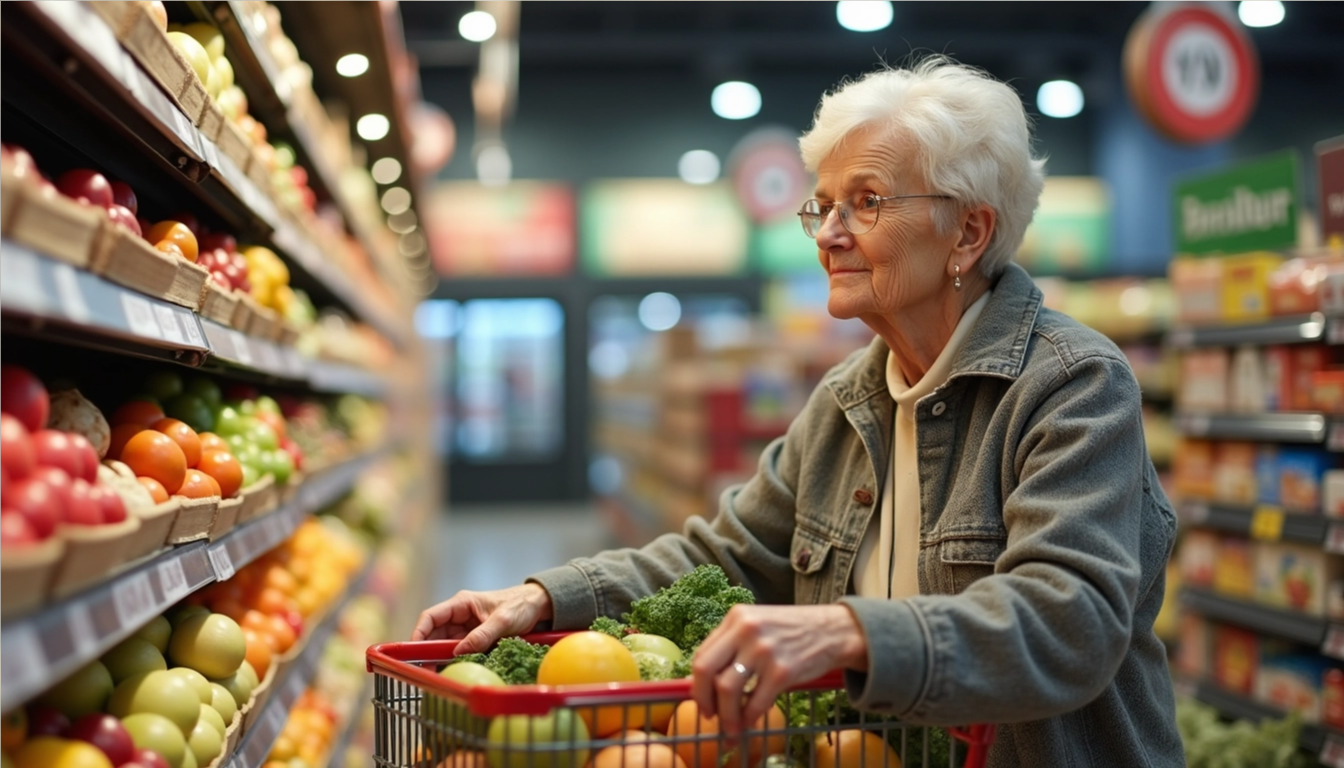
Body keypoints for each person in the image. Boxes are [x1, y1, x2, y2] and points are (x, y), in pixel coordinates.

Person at [415, 57, 1183, 767]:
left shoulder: (1073, 386)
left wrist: (847, 632)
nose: (829, 236)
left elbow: (1069, 621)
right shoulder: (849, 401)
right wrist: (546, 596)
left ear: (969, 232)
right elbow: (726, 555)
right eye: (821, 207)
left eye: (867, 202)